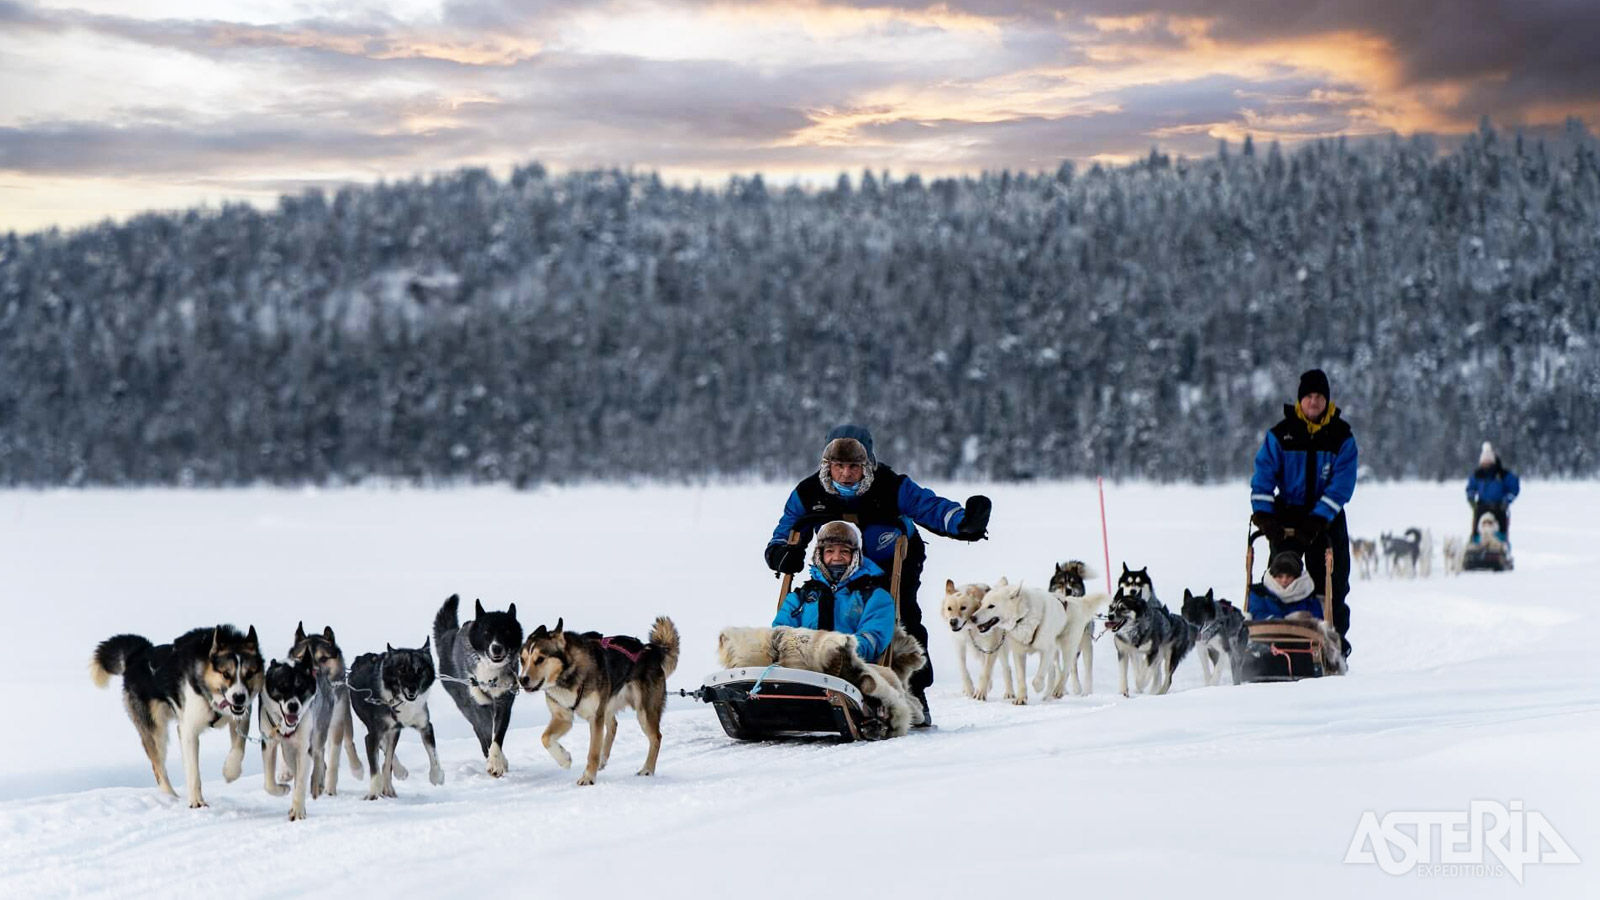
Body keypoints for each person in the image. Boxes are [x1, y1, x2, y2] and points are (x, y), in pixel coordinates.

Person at [766, 425, 989, 727]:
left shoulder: (891, 485)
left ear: (867, 463)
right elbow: (786, 529)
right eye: (838, 466)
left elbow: (930, 507)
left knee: (901, 617)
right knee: (825, 611)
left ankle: (913, 692)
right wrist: (780, 552)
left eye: (854, 466)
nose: (845, 474)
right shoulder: (808, 492)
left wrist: (964, 522)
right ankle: (820, 677)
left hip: (893, 560)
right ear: (827, 464)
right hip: (837, 561)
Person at [1249, 368, 1357, 656]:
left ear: (1327, 401)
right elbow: (1262, 477)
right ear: (1300, 400)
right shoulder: (1280, 434)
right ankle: (1274, 640)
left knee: (1332, 584)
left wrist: (1320, 518)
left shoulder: (1341, 436)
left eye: (1319, 396)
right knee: (1281, 580)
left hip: (1326, 519)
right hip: (1286, 516)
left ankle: (1333, 645)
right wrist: (1264, 515)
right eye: (1309, 396)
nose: (1314, 401)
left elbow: (1342, 485)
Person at [773, 521, 895, 664]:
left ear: (855, 556)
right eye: (829, 551)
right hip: (802, 669)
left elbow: (872, 639)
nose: (836, 558)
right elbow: (780, 633)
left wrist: (836, 652)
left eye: (844, 551)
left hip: (850, 672)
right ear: (820, 555)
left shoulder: (875, 597)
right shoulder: (799, 598)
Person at [1246, 550, 1324, 620]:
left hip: (1302, 635)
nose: (1284, 580)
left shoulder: (1309, 598)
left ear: (1296, 577)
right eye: (1280, 577)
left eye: (1289, 576)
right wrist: (1286, 619)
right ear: (1273, 576)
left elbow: (1318, 619)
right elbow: (1256, 616)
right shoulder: (1260, 595)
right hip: (1266, 634)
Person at [1466, 442, 1519, 537]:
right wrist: (1471, 498)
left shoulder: (1502, 474)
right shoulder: (1478, 475)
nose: (1486, 465)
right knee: (1477, 527)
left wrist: (1507, 500)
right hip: (1482, 506)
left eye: (1488, 463)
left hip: (1499, 506)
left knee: (1501, 527)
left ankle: (1501, 541)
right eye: (1484, 463)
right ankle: (1476, 540)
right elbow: (1471, 487)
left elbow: (1514, 488)